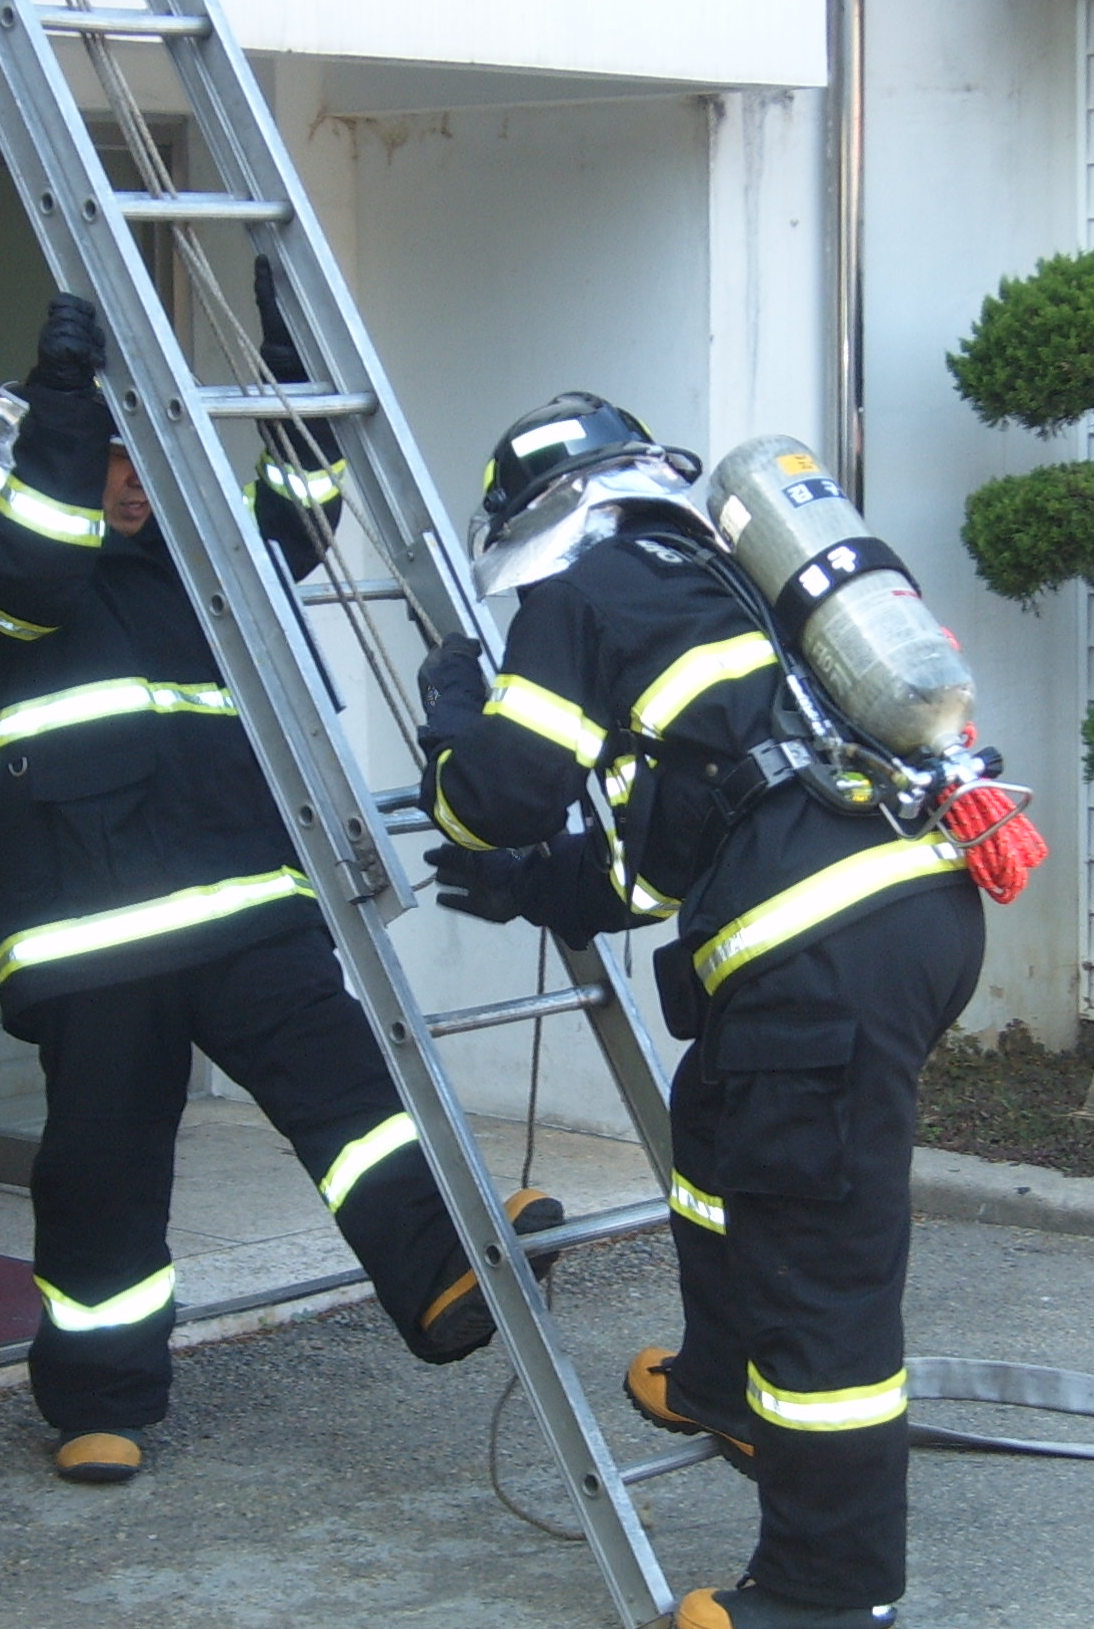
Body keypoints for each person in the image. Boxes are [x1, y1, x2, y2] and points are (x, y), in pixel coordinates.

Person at [0, 263, 558, 1486]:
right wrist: (63, 403)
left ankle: (443, 1273)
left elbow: (296, 519)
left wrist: (290, 380)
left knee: (354, 1095)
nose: (129, 479)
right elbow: (38, 564)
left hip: (246, 901)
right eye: (107, 455)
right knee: (104, 1176)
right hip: (95, 939)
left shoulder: (198, 563)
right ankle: (98, 1401)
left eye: (140, 454)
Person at [415, 393, 988, 1629]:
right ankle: (722, 1382)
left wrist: (452, 711)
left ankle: (827, 1597)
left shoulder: (580, 595)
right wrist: (531, 890)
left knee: (821, 1273)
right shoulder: (733, 593)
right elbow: (669, 860)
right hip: (895, 925)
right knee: (718, 1131)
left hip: (823, 961)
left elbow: (496, 793)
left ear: (542, 523)